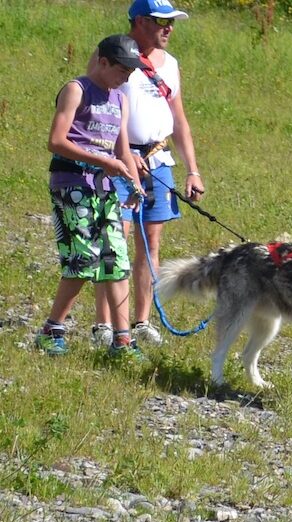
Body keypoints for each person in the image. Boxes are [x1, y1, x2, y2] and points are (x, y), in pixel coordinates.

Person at [36, 36, 144, 360]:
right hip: (72, 183)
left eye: (131, 72)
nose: (126, 77)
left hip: (105, 187)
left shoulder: (120, 100)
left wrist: (135, 186)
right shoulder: (76, 90)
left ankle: (122, 340)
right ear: (103, 62)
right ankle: (52, 329)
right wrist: (105, 162)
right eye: (122, 70)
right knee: (83, 259)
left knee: (116, 259)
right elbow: (55, 140)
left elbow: (123, 149)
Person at [118, 0, 206, 346]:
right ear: (139, 21)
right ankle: (111, 325)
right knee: (117, 239)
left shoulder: (170, 65)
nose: (168, 28)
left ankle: (141, 321)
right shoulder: (114, 53)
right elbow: (100, 107)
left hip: (157, 161)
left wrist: (193, 170)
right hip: (121, 161)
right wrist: (122, 153)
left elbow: (179, 120)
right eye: (160, 21)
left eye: (172, 22)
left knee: (151, 241)